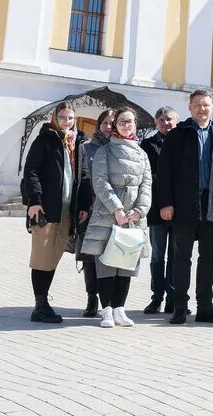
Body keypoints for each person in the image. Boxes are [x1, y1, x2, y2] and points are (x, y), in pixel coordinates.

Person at [157, 90, 213, 325]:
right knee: (181, 257)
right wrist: (166, 203)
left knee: (208, 258)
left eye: (206, 105)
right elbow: (164, 173)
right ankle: (180, 307)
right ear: (190, 107)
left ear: (211, 107)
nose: (202, 109)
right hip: (183, 204)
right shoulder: (178, 135)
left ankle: (205, 307)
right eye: (198, 105)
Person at [80, 106, 153, 328]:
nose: (125, 125)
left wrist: (140, 209)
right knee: (107, 263)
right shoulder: (105, 151)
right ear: (115, 125)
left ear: (135, 125)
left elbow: (147, 185)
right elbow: (100, 182)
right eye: (121, 121)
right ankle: (107, 310)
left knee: (126, 261)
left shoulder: (142, 154)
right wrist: (117, 209)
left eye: (129, 121)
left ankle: (120, 309)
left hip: (133, 216)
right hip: (109, 213)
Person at [21, 102, 79, 323]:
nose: (67, 121)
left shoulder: (73, 142)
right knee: (42, 258)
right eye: (63, 117)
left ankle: (43, 302)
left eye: (70, 118)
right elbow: (32, 171)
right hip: (45, 209)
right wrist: (34, 201)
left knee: (52, 258)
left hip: (65, 211)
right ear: (55, 118)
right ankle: (40, 304)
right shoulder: (45, 140)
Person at [76, 108, 115, 317]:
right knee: (90, 257)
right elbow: (82, 179)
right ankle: (92, 298)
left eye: (112, 123)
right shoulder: (86, 148)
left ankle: (110, 301)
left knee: (112, 255)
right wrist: (84, 204)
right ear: (99, 124)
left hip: (114, 211)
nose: (109, 127)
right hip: (92, 210)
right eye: (105, 123)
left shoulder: (121, 147)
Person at [140, 106, 178, 314]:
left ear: (177, 121)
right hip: (156, 208)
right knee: (157, 255)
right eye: (162, 120)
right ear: (156, 123)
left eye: (170, 119)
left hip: (179, 208)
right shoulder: (148, 144)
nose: (166, 123)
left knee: (175, 255)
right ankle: (157, 297)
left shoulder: (183, 143)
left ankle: (173, 297)